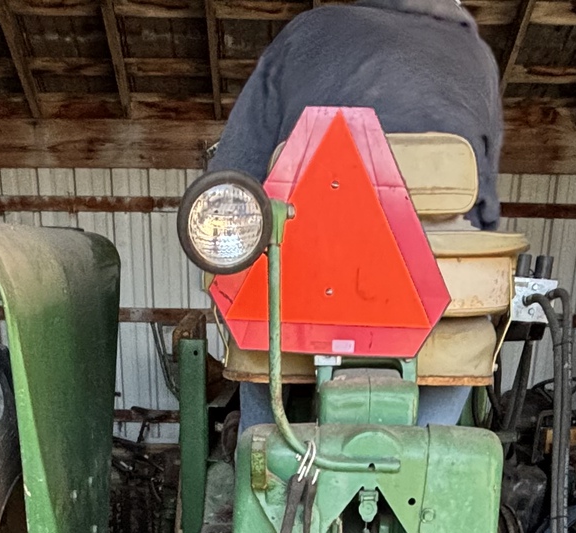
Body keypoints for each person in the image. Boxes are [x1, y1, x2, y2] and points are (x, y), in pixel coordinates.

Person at [207, 0, 504, 430]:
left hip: (308, 289)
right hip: (430, 293)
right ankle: (429, 446)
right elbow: (484, 202)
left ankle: (260, 459)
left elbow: (236, 175)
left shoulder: (308, 32)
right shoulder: (477, 56)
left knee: (252, 312)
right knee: (467, 336)